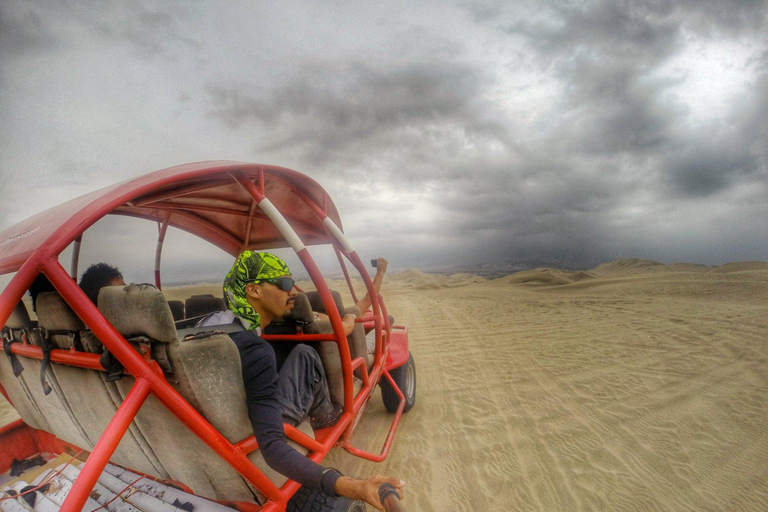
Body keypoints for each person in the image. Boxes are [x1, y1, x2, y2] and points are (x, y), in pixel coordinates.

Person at [223, 251, 404, 509]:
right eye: (285, 284)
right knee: (307, 354)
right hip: (281, 419)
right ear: (253, 290)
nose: (294, 292)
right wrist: (355, 487)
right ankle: (332, 409)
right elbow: (273, 447)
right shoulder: (258, 348)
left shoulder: (216, 331)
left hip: (239, 414)